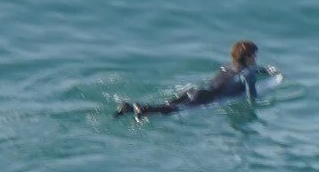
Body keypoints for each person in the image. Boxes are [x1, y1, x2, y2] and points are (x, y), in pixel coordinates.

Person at [115, 40, 276, 117]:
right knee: (173, 110)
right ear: (248, 57)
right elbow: (252, 99)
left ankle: (129, 107)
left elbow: (245, 71)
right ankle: (143, 110)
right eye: (254, 54)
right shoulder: (248, 75)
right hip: (207, 98)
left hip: (196, 91)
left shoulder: (227, 66)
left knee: (168, 104)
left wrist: (265, 71)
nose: (256, 57)